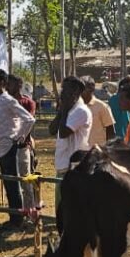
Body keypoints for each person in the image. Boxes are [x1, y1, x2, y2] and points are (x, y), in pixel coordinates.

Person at [0, 69, 35, 228]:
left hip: (9, 148)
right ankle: (13, 217)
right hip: (1, 148)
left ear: (1, 83)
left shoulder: (8, 100)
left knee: (13, 185)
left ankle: (17, 220)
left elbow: (29, 119)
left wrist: (18, 138)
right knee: (9, 184)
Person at [49, 76, 92, 207]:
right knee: (60, 207)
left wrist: (65, 110)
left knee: (71, 208)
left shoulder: (81, 111)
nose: (61, 93)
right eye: (62, 89)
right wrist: (62, 110)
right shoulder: (68, 109)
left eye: (65, 89)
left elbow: (63, 133)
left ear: (75, 92)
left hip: (73, 168)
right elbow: (52, 130)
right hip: (62, 165)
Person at [7, 74, 37, 210]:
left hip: (22, 147)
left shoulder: (28, 103)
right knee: (11, 182)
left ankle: (29, 210)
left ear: (19, 85)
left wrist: (18, 138)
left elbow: (27, 122)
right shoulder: (5, 103)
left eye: (10, 84)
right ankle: (16, 212)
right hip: (7, 148)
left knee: (26, 181)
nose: (7, 87)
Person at [81, 75, 115, 147]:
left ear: (92, 89)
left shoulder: (102, 107)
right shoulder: (77, 107)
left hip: (98, 151)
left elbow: (111, 132)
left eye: (83, 89)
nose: (79, 92)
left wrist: (107, 150)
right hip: (81, 150)